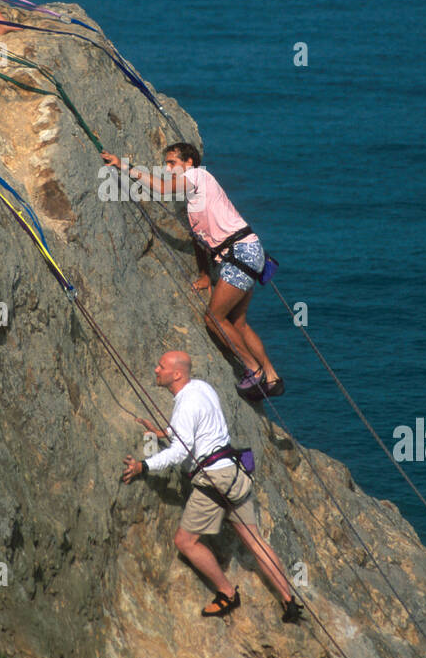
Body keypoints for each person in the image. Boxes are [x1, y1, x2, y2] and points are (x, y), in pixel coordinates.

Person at [121, 351, 303, 622]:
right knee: (254, 541)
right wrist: (164, 433)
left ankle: (227, 593)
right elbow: (197, 430)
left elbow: (179, 453)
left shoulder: (185, 405)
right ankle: (289, 600)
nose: (155, 369)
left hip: (213, 481)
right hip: (234, 472)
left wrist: (142, 466)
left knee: (185, 542)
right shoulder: (202, 388)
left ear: (177, 374)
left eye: (161, 366)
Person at [101, 144, 283, 400]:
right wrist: (206, 275)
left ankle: (253, 370)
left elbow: (163, 189)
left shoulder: (198, 176)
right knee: (237, 322)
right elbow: (201, 242)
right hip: (247, 252)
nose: (167, 168)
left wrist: (123, 166)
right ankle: (272, 376)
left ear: (189, 163)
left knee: (214, 318)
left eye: (172, 163)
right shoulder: (194, 202)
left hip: (241, 254)